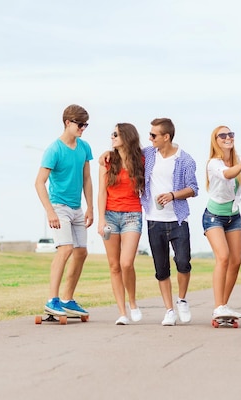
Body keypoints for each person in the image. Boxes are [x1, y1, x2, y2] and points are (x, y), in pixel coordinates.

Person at [34, 104, 94, 319]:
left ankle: (67, 300)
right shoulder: (54, 150)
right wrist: (50, 212)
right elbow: (39, 183)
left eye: (85, 124)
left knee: (81, 252)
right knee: (65, 249)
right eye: (80, 124)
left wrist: (91, 207)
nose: (83, 128)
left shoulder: (84, 147)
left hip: (77, 208)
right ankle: (52, 300)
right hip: (59, 206)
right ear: (68, 122)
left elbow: (87, 178)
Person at [143, 118, 199, 326]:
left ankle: (182, 300)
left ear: (166, 137)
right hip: (153, 220)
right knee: (161, 268)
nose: (150, 138)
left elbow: (193, 189)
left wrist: (173, 195)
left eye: (153, 135)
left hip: (177, 219)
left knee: (183, 262)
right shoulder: (148, 155)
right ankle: (169, 310)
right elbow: (127, 155)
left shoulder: (185, 160)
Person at [203, 125, 241, 320]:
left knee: (236, 261)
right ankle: (219, 306)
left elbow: (232, 184)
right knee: (223, 257)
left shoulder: (234, 162)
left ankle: (222, 305)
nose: (228, 137)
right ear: (215, 140)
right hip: (213, 216)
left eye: (230, 134)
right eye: (222, 135)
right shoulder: (214, 163)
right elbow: (227, 175)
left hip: (234, 216)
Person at [97, 123, 145, 325]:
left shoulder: (142, 160)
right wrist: (101, 219)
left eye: (116, 134)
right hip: (110, 217)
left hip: (132, 215)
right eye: (112, 134)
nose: (112, 137)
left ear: (127, 136)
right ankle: (122, 312)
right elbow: (102, 192)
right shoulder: (107, 161)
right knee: (114, 265)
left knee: (126, 263)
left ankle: (133, 303)